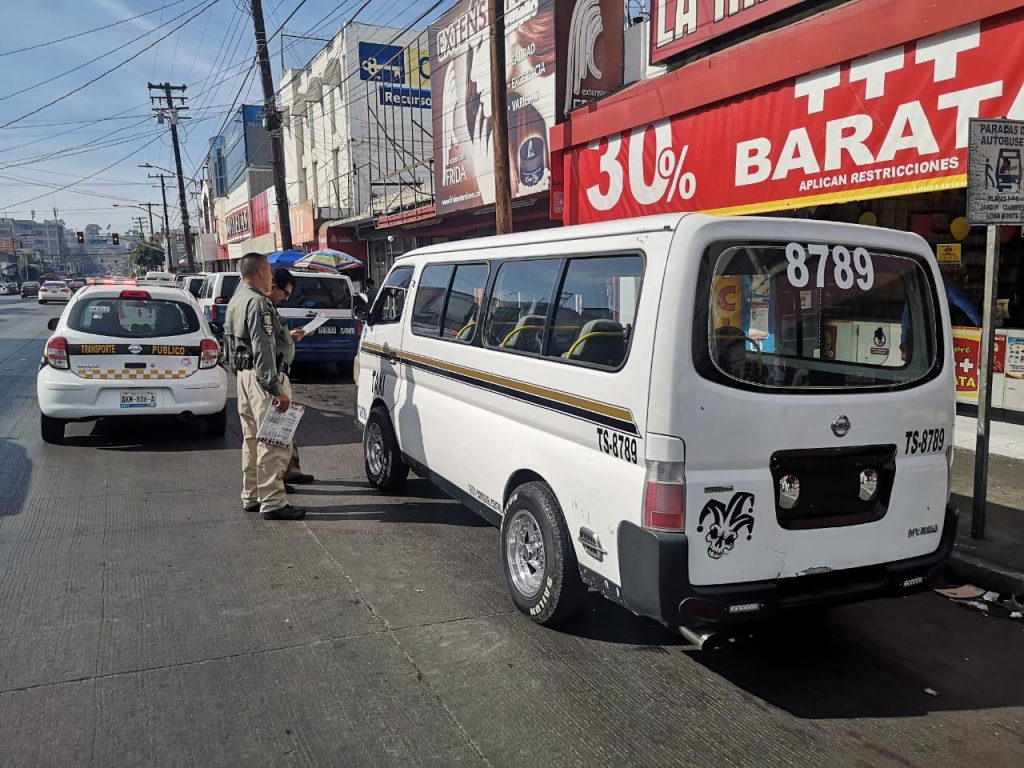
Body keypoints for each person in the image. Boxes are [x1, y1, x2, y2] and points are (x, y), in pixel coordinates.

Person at [223, 253, 305, 521]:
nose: (271, 277)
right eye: (269, 271)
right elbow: (263, 347)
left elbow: (230, 344)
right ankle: (272, 500)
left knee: (251, 439)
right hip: (264, 378)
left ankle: (253, 494)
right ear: (259, 271)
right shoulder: (259, 304)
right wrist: (274, 388)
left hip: (245, 377)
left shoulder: (237, 300)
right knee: (273, 441)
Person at [270, 267, 314, 486]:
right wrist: (274, 387)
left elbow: (277, 338)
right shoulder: (262, 308)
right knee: (274, 433)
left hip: (281, 372)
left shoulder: (271, 309)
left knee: (286, 427)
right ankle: (276, 482)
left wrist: (291, 336)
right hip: (273, 375)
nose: (286, 298)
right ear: (272, 285)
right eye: (285, 294)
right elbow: (263, 347)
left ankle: (290, 471)